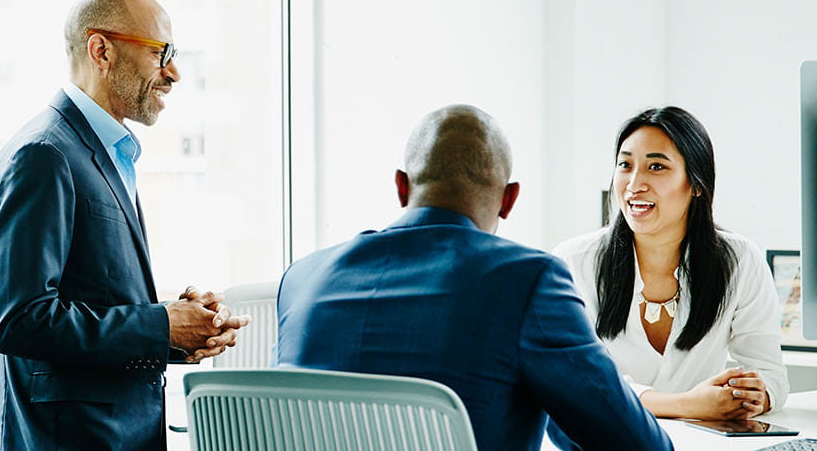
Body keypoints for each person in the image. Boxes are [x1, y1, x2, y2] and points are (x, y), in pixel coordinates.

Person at [275, 104, 672, 451]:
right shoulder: (528, 279)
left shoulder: (300, 279)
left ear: (401, 186)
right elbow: (636, 443)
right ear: (509, 199)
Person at [0, 0, 250, 451]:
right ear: (101, 50)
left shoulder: (106, 153)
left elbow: (93, 298)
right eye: (160, 52)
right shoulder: (44, 155)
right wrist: (160, 326)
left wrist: (178, 328)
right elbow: (18, 321)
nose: (174, 73)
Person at [552, 106, 789, 421]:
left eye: (656, 167)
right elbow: (578, 384)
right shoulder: (572, 262)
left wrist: (756, 394)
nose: (634, 183)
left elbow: (770, 371)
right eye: (625, 165)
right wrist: (689, 404)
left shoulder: (740, 260)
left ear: (696, 184)